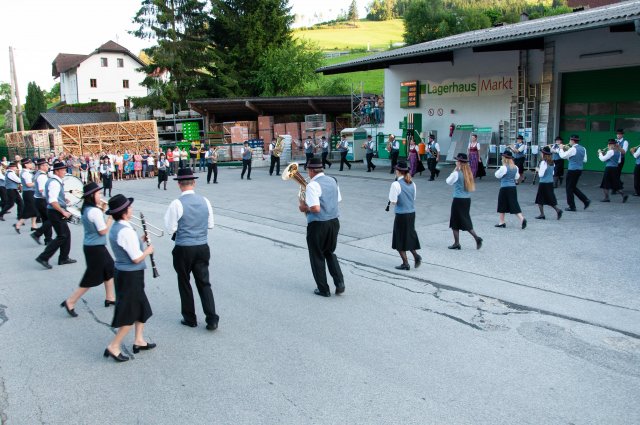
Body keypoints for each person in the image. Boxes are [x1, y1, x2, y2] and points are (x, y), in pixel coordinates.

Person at [164, 168, 219, 330]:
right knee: (204, 283)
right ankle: (212, 318)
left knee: (184, 282)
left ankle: (190, 318)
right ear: (194, 183)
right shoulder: (205, 201)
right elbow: (210, 225)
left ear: (179, 185)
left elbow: (170, 228)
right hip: (202, 246)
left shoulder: (176, 203)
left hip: (183, 248)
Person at [104, 194, 155, 362]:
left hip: (126, 273)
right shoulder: (125, 231)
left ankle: (139, 340)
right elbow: (136, 258)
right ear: (125, 212)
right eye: (129, 207)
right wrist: (148, 251)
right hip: (130, 275)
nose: (131, 209)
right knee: (130, 312)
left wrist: (140, 239)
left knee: (141, 307)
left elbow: (128, 247)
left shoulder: (119, 227)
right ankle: (114, 346)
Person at [60, 182, 116, 318]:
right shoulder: (94, 211)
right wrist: (110, 218)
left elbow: (95, 222)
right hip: (96, 247)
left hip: (92, 246)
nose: (101, 195)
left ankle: (110, 297)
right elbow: (102, 231)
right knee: (92, 277)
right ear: (92, 195)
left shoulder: (87, 209)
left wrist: (102, 210)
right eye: (98, 193)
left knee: (109, 267)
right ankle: (70, 301)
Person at [299, 158, 345, 297]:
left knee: (317, 256)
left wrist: (303, 206)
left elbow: (315, 208)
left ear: (311, 170)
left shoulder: (312, 186)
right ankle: (340, 283)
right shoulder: (333, 180)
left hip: (318, 224)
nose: (307, 173)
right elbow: (337, 200)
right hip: (334, 222)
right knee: (329, 252)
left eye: (307, 170)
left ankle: (323, 289)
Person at [35, 160, 77, 269]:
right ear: (57, 171)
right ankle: (43, 257)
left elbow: (50, 196)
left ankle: (64, 257)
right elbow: (53, 201)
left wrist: (63, 199)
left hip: (55, 211)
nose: (64, 171)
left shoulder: (54, 181)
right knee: (62, 236)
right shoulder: (54, 182)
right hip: (55, 212)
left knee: (66, 234)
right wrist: (63, 211)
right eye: (63, 170)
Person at [388, 161, 422, 270]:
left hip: (401, 214)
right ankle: (416, 256)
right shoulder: (412, 183)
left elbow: (393, 201)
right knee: (408, 236)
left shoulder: (396, 184)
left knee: (399, 239)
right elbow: (413, 198)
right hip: (411, 213)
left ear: (398, 171)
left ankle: (405, 263)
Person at [445, 153, 482, 250]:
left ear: (460, 163)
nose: (456, 162)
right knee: (464, 218)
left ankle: (474, 238)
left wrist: (454, 170)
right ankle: (458, 242)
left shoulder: (456, 173)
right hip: (467, 199)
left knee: (455, 221)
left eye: (457, 161)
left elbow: (448, 181)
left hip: (458, 199)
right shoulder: (469, 173)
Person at [494, 150, 527, 229]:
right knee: (513, 203)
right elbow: (517, 177)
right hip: (513, 187)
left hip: (505, 187)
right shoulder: (515, 167)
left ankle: (502, 221)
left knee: (502, 203)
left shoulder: (503, 167)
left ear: (504, 159)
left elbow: (497, 175)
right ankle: (522, 218)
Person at [558, 134, 591, 212]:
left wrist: (561, 149)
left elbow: (563, 156)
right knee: (572, 187)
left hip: (572, 170)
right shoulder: (583, 148)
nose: (569, 142)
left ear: (572, 141)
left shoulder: (573, 149)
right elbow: (584, 160)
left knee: (569, 188)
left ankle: (572, 206)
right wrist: (572, 158)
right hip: (579, 169)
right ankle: (585, 200)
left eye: (570, 140)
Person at [534, 146, 563, 220]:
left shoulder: (544, 162)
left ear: (543, 154)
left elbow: (541, 174)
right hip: (550, 182)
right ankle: (557, 210)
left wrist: (538, 169)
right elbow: (553, 173)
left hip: (543, 183)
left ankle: (542, 214)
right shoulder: (552, 162)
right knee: (549, 198)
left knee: (540, 199)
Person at [30, 159, 53, 245]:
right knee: (51, 219)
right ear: (42, 166)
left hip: (38, 200)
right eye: (46, 165)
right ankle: (37, 234)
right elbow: (42, 191)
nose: (48, 167)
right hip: (42, 200)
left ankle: (48, 239)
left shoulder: (38, 174)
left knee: (46, 220)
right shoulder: (42, 176)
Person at [15, 158, 38, 233]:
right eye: (30, 163)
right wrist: (37, 182)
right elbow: (29, 184)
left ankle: (33, 225)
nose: (31, 164)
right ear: (26, 165)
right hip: (29, 193)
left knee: (33, 209)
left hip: (30, 192)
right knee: (30, 210)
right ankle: (19, 224)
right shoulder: (25, 173)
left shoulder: (28, 172)